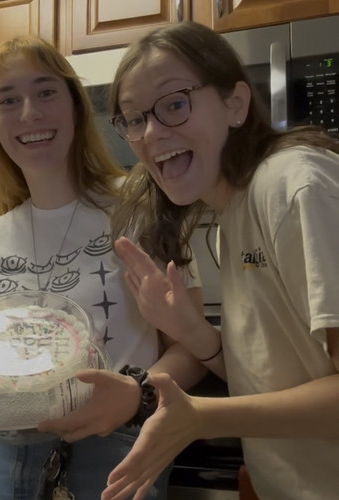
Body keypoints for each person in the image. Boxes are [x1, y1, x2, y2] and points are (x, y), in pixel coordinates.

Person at [86, 21, 339, 500]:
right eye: (133, 118)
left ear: (235, 104)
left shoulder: (295, 185)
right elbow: (273, 376)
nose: (152, 132)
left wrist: (203, 418)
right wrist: (192, 331)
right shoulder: (232, 216)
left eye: (175, 104)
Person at [0, 35, 207, 500]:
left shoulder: (137, 206)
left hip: (117, 444)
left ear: (76, 106)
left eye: (46, 91)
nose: (30, 113)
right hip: (4, 454)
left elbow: (193, 348)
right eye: (8, 99)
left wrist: (137, 393)